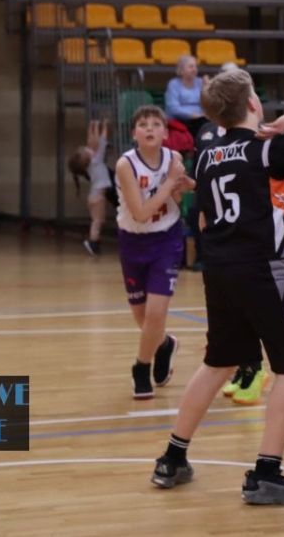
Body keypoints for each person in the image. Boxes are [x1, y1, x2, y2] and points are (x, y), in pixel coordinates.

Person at [150, 69, 284, 502]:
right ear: (253, 104)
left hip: (218, 268)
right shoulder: (268, 147)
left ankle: (172, 457)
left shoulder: (207, 156)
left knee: (219, 362)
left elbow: (203, 217)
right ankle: (266, 472)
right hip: (264, 267)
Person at [112, 105, 191, 399]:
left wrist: (183, 184)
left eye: (156, 124)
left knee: (156, 314)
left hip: (166, 240)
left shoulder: (174, 160)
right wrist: (170, 183)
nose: (149, 128)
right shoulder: (125, 165)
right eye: (143, 124)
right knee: (144, 319)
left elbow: (178, 197)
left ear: (165, 133)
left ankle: (141, 368)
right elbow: (141, 213)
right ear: (134, 133)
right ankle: (165, 345)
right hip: (133, 242)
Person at [68, 119, 113, 256]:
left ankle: (94, 241)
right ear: (88, 156)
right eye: (87, 151)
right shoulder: (96, 160)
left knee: (97, 220)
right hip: (97, 197)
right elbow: (101, 142)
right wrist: (103, 127)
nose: (89, 148)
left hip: (94, 196)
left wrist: (93, 127)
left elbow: (92, 143)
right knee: (97, 221)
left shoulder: (90, 164)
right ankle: (93, 242)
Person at [164, 54, 206, 124]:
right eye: (191, 67)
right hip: (179, 120)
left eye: (196, 67)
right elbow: (174, 109)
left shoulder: (201, 82)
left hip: (200, 119)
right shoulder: (173, 84)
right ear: (181, 70)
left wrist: (208, 87)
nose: (194, 69)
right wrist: (191, 115)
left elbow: (207, 105)